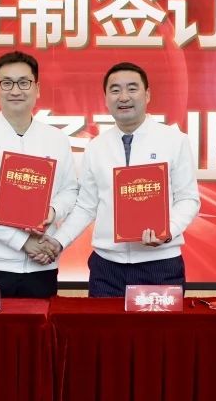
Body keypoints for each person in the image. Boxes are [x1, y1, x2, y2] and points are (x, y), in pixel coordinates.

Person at [40, 62, 200, 297]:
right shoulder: (96, 147)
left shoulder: (175, 141)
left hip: (160, 263)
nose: (124, 97)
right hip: (107, 266)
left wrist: (168, 230)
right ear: (106, 98)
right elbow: (86, 206)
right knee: (104, 323)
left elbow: (188, 199)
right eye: (115, 90)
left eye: (132, 89)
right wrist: (58, 241)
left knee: (161, 324)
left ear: (147, 95)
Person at [0, 51, 78, 298]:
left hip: (41, 263)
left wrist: (52, 211)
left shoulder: (56, 139)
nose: (15, 91)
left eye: (24, 82)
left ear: (37, 89)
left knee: (40, 324)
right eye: (7, 83)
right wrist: (23, 242)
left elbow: (70, 190)